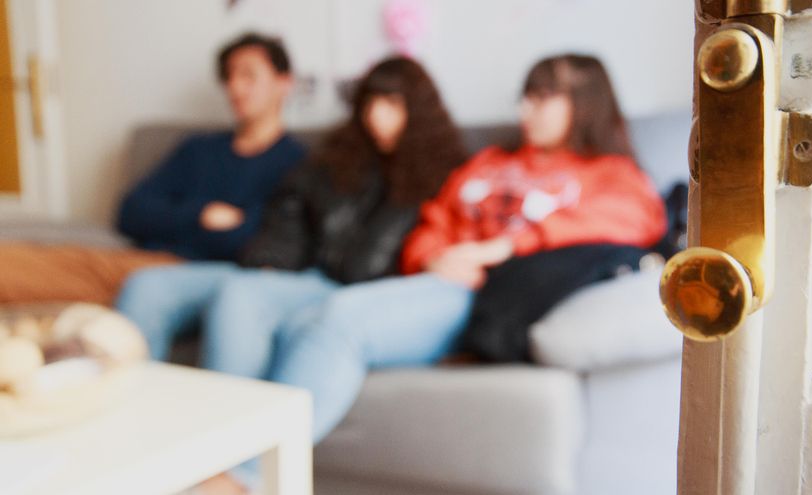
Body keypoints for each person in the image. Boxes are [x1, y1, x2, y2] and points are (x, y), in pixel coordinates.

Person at [209, 53, 668, 450]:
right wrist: (433, 257)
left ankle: (245, 474)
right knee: (301, 320)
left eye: (544, 97)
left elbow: (632, 220)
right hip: (443, 282)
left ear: (585, 105)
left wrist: (500, 247)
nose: (528, 109)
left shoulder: (611, 172)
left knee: (335, 322)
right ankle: (233, 456)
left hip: (499, 295)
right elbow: (432, 222)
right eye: (526, 97)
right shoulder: (489, 162)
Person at [116, 57, 466, 365]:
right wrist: (270, 259)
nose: (377, 116)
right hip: (287, 270)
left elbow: (399, 256)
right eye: (370, 103)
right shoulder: (339, 156)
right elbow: (289, 208)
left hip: (342, 289)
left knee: (241, 297)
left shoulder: (440, 173)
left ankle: (235, 432)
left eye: (391, 103)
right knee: (145, 286)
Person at [0, 32, 305, 305]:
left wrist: (176, 221)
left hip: (197, 274)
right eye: (229, 77)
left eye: (249, 76)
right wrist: (200, 214)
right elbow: (130, 211)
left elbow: (254, 241)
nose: (235, 87)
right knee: (18, 262)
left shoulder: (296, 162)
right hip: (141, 259)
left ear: (284, 83)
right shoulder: (198, 149)